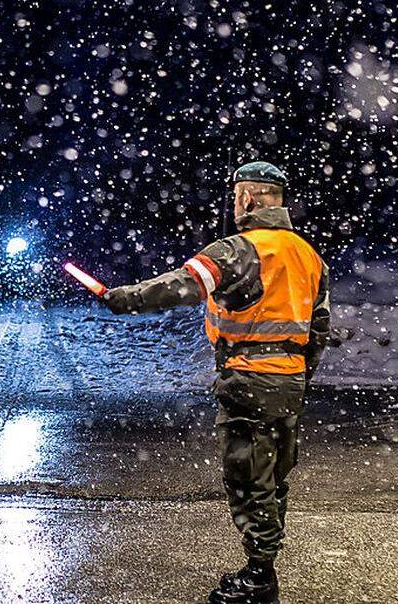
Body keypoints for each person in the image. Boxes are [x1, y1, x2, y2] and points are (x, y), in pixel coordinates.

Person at [100, 161, 329, 603]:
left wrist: (124, 299)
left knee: (247, 477)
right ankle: (263, 565)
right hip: (290, 381)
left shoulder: (236, 250)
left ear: (247, 198)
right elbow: (318, 328)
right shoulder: (307, 254)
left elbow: (182, 285)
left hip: (247, 379)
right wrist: (297, 373)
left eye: (238, 196)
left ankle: (260, 578)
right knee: (274, 475)